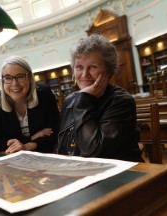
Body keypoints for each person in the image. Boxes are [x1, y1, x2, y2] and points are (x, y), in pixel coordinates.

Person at [55, 34, 144, 162]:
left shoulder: (121, 100)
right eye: (79, 67)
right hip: (80, 170)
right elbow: (61, 146)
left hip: (119, 173)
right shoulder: (70, 100)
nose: (85, 74)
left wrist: (83, 99)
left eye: (93, 67)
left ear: (108, 71)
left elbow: (94, 151)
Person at [0, 55, 60, 154]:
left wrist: (28, 145)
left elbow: (55, 131)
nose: (14, 84)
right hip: (12, 158)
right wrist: (33, 137)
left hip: (45, 153)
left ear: (29, 77)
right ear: (3, 80)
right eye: (8, 78)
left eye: (20, 77)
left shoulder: (44, 94)